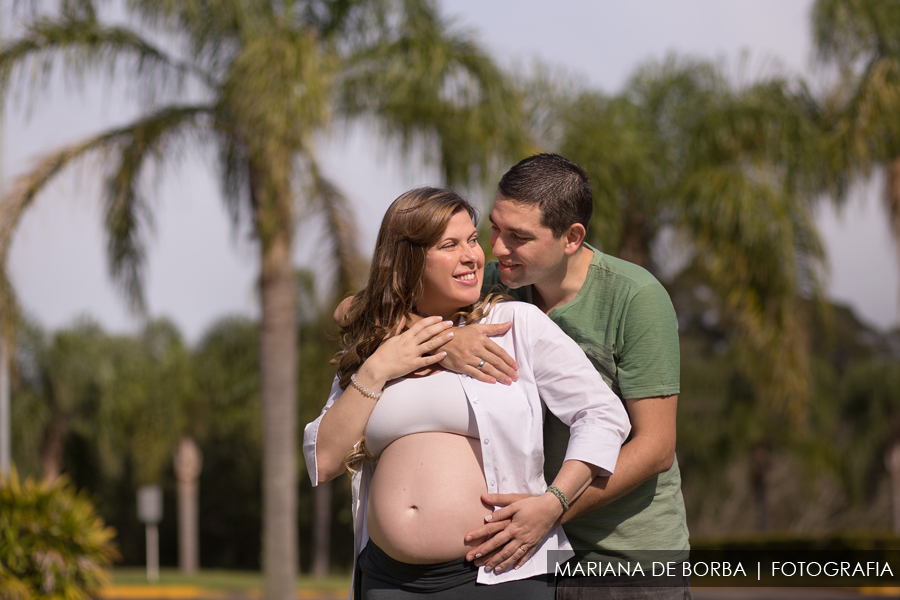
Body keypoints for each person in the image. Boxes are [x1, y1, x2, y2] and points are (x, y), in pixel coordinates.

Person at [302, 187, 631, 600]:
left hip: (502, 573)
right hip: (388, 582)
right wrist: (379, 366)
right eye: (450, 244)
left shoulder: (514, 325)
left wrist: (554, 503)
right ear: (409, 260)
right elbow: (324, 460)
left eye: (473, 240)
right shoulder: (379, 348)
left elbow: (603, 415)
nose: (473, 255)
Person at [440, 154, 691, 599]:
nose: (496, 248)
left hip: (628, 564)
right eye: (495, 227)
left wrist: (552, 507)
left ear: (572, 238)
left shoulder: (636, 297)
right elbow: (358, 308)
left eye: (519, 237)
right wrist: (445, 339)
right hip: (531, 559)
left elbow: (655, 448)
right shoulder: (489, 283)